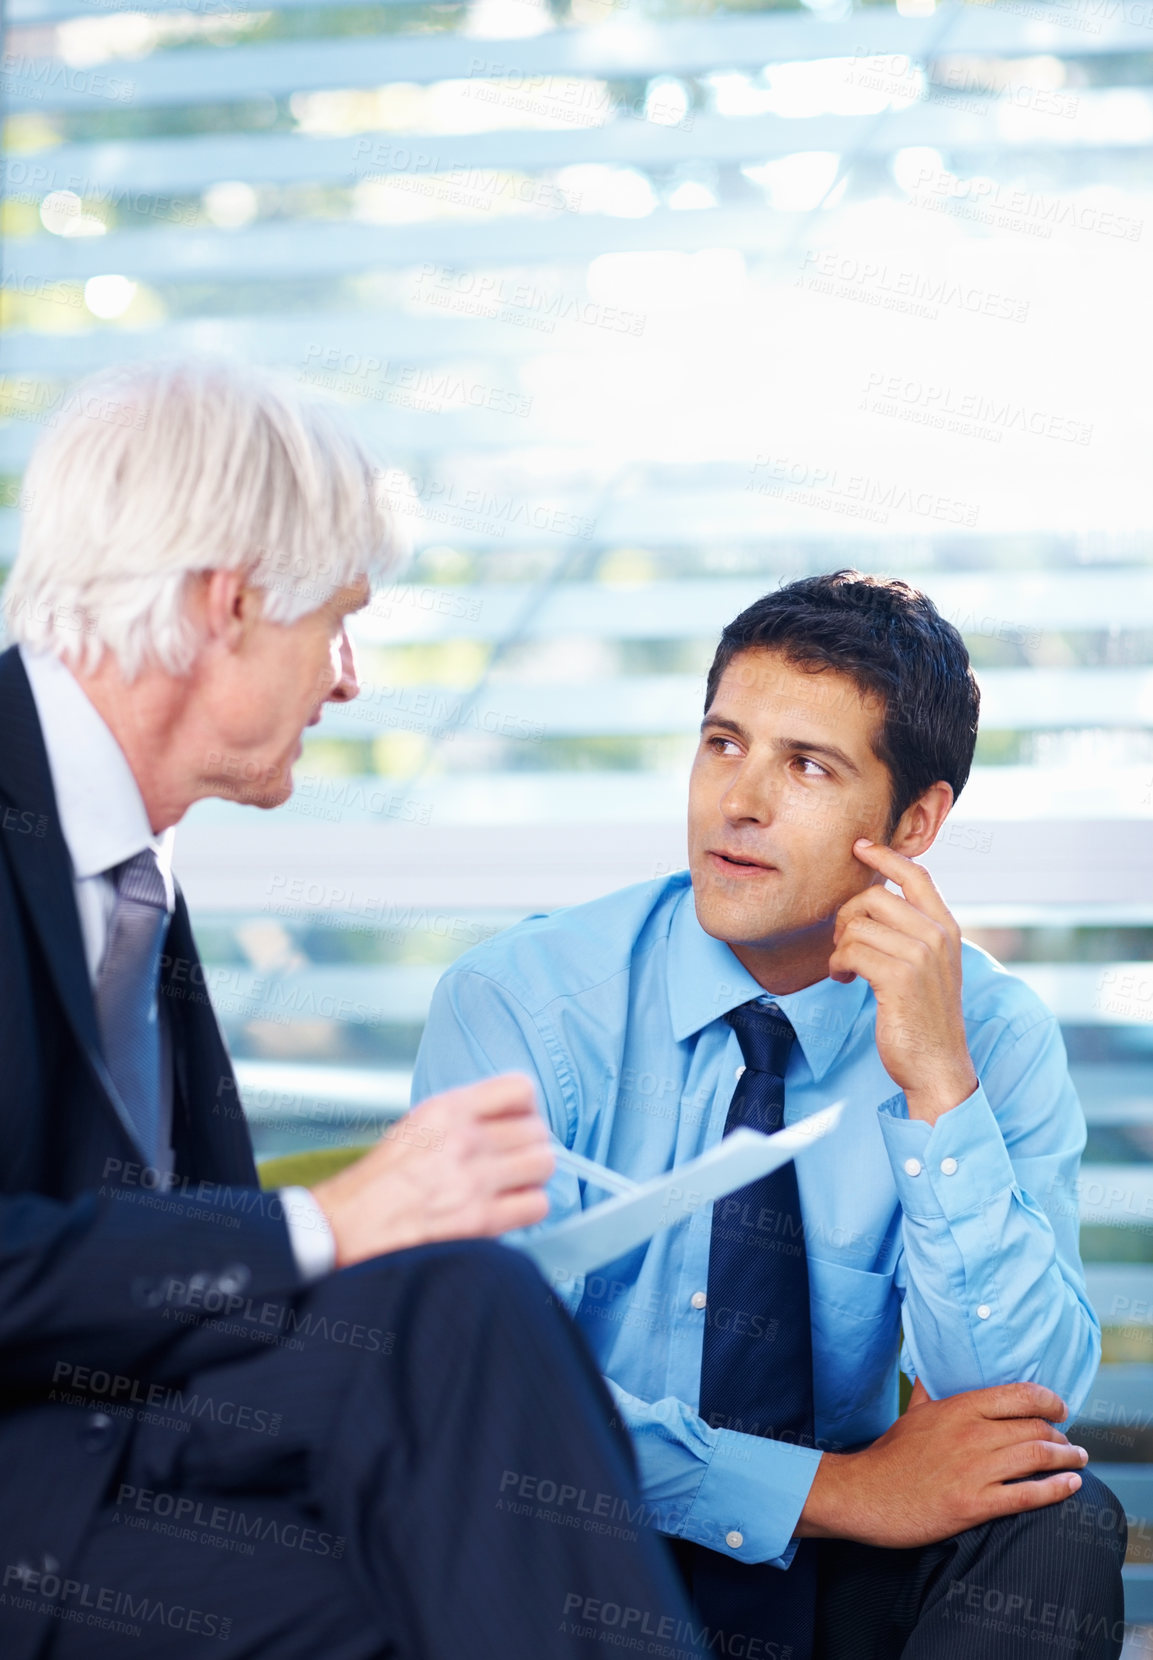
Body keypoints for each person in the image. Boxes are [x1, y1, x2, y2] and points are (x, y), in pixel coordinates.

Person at [0, 360, 690, 1660]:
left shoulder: (134, 867)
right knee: (422, 1591)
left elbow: (179, 1260)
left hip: (134, 1431)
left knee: (462, 1302)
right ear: (233, 602)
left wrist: (377, 1236)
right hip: (35, 1477)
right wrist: (332, 1219)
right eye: (337, 621)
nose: (350, 679)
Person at [414, 571, 1128, 1660]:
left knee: (1054, 1522)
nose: (737, 801)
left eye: (806, 765)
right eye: (722, 743)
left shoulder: (989, 1032)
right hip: (577, 1549)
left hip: (831, 1587)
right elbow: (484, 1396)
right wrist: (836, 1490)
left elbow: (1014, 1414)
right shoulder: (521, 1002)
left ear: (914, 820)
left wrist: (940, 1089)